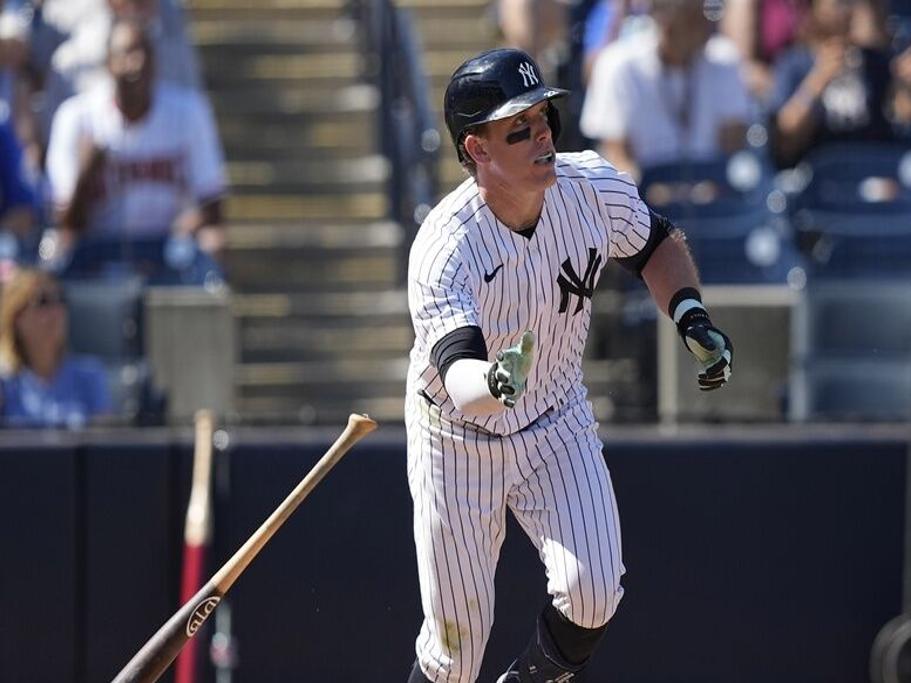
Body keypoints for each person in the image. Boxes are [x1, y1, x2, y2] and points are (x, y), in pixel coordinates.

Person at [405, 48, 734, 683]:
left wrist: (691, 314)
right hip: (457, 437)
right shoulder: (445, 247)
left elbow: (656, 244)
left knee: (593, 590)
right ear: (477, 150)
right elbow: (459, 377)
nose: (543, 136)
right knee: (453, 654)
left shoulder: (591, 188)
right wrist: (495, 381)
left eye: (543, 117)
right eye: (518, 128)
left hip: (554, 416)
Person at [43, 17, 226, 279]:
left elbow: (213, 202)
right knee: (52, 253)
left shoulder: (188, 111)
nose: (137, 63)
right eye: (127, 53)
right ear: (108, 63)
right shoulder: (77, 116)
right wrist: (86, 174)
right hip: (95, 247)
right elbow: (64, 224)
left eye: (144, 53)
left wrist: (184, 227)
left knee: (213, 243)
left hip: (167, 244)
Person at [580, 0, 751, 178]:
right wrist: (638, 195)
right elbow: (616, 155)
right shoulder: (618, 64)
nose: (705, 21)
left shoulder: (725, 60)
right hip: (643, 192)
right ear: (662, 17)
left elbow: (733, 147)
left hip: (713, 186)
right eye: (692, 13)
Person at [769, 0, 910, 167]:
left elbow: (901, 118)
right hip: (816, 174)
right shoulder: (794, 63)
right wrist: (818, 80)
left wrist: (905, 86)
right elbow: (784, 139)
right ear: (815, 7)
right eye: (839, 2)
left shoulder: (877, 61)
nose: (846, 9)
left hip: (873, 170)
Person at [0, 267, 111, 427]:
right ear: (17, 318)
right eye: (42, 301)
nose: (56, 310)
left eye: (61, 299)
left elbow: (104, 444)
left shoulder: (90, 377)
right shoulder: (5, 383)